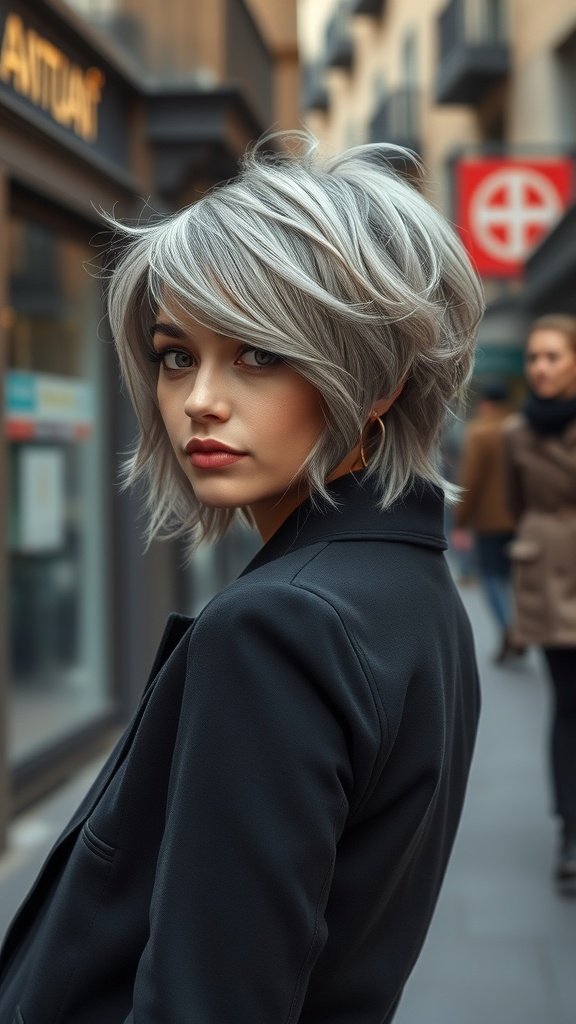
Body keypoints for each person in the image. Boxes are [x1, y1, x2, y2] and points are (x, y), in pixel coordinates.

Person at [0, 135, 484, 1024]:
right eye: (176, 355)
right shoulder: (409, 587)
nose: (199, 401)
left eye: (258, 353)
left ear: (376, 379)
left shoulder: (281, 626)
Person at [504, 314, 576, 894]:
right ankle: (571, 830)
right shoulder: (515, 432)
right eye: (533, 358)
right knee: (568, 706)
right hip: (550, 583)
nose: (541, 368)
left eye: (553, 356)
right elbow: (515, 503)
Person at [452, 382, 520, 664]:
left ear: (486, 404)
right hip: (524, 519)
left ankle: (509, 628)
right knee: (517, 577)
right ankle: (520, 626)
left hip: (490, 521)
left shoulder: (480, 432)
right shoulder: (524, 428)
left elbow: (470, 480)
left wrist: (460, 521)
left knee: (492, 577)